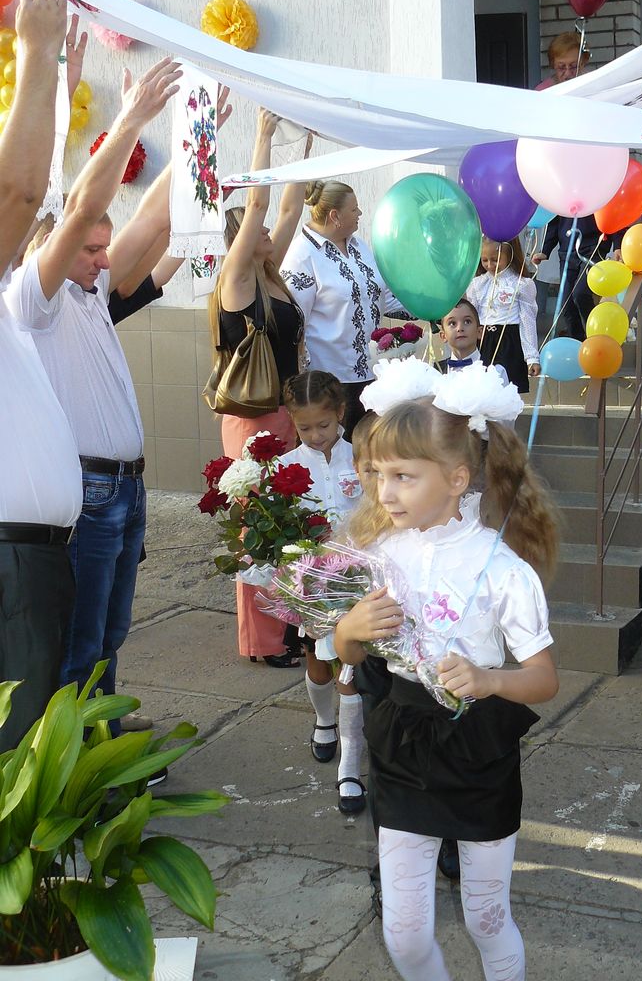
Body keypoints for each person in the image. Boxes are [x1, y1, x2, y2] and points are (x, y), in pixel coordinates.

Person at [336, 367, 559, 981]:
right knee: (404, 934)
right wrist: (348, 631)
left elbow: (543, 679)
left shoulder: (502, 569)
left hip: (476, 748)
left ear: (457, 480)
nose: (384, 492)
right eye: (379, 474)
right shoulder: (380, 555)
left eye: (403, 476)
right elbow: (349, 659)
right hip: (402, 738)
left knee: (486, 918)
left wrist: (489, 681)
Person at [7, 56, 182, 740]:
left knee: (109, 633)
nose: (104, 258)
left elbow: (154, 221)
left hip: (125, 491)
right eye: (90, 250)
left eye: (106, 249)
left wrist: (199, 127)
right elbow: (78, 204)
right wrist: (132, 116)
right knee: (78, 643)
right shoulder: (33, 300)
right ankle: (75, 762)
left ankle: (101, 746)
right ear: (50, 248)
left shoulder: (91, 293)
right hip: (89, 490)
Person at [0, 0, 83, 750]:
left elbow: (35, 193)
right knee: (18, 761)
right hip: (9, 563)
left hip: (28, 560)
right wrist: (35, 51)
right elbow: (21, 193)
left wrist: (55, 79)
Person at [209, 109, 310, 668]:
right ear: (242, 243)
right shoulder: (239, 280)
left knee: (289, 521)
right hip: (252, 420)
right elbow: (261, 205)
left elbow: (289, 205)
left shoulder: (272, 277)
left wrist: (306, 149)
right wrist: (265, 135)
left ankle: (288, 627)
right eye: (259, 233)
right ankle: (264, 640)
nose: (271, 233)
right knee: (259, 529)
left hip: (284, 412)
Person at [278, 370, 366, 815]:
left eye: (324, 426)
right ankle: (324, 719)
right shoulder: (286, 467)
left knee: (350, 668)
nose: (316, 436)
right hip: (312, 583)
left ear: (341, 415)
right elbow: (277, 527)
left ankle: (350, 763)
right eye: (305, 427)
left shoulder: (362, 459)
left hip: (357, 579)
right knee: (318, 662)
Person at [281, 180, 409, 434]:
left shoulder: (358, 246)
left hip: (374, 376)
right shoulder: (302, 256)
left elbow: (381, 296)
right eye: (355, 209)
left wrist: (428, 306)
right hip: (330, 383)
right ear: (335, 216)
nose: (360, 214)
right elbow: (294, 324)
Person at [466, 238, 540, 393]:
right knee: (481, 389)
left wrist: (532, 357)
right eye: (485, 260)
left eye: (496, 260)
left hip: (509, 340)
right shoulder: (477, 284)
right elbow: (472, 316)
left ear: (510, 256)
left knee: (508, 391)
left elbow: (527, 321)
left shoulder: (521, 284)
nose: (490, 265)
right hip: (483, 340)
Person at [531, 215, 601, 340]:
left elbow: (610, 215)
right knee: (566, 303)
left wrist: (617, 245)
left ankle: (595, 335)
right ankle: (577, 340)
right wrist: (545, 250)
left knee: (580, 294)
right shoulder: (564, 196)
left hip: (593, 250)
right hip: (567, 252)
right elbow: (554, 221)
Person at [435, 298, 509, 384]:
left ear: (479, 332)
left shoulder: (495, 371)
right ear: (443, 336)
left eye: (467, 321)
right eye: (452, 323)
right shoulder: (435, 372)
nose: (460, 328)